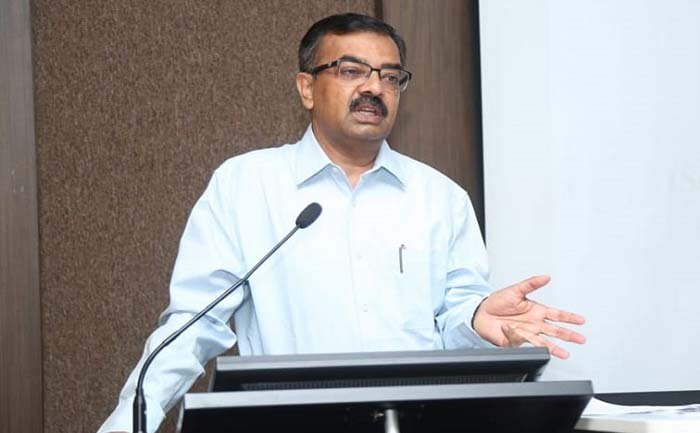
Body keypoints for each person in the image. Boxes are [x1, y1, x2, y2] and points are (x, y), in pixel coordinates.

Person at [98, 13, 585, 433]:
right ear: (307, 87)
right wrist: (128, 423)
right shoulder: (246, 185)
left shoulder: (440, 198)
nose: (374, 87)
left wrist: (476, 320)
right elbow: (193, 325)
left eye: (390, 76)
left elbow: (452, 323)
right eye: (351, 71)